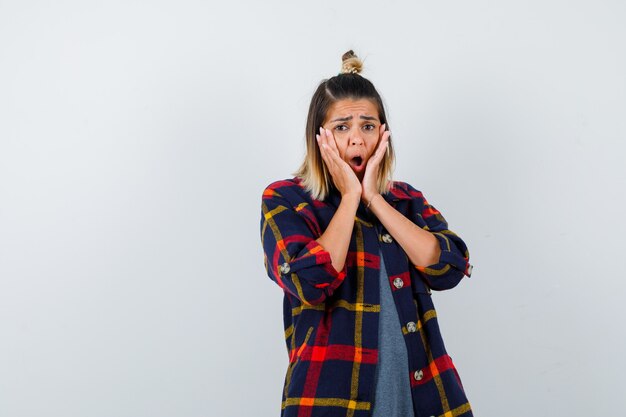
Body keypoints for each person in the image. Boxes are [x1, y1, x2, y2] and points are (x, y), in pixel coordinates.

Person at [260, 50, 474, 417]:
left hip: (422, 397)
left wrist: (374, 198)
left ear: (383, 133)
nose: (357, 140)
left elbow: (449, 267)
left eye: (368, 125)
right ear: (320, 137)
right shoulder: (286, 198)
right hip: (329, 400)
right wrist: (350, 198)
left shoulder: (405, 200)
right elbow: (310, 282)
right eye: (342, 127)